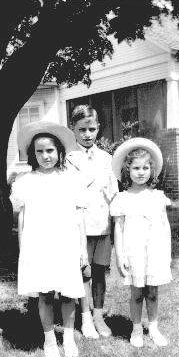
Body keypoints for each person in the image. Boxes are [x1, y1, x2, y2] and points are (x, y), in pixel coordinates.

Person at [11, 121, 88, 357]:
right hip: (38, 244)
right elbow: (21, 219)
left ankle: (68, 336)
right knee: (44, 293)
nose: (45, 156)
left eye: (50, 151)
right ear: (33, 154)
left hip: (65, 242)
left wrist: (82, 249)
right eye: (40, 151)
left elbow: (79, 216)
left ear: (59, 151)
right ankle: (49, 339)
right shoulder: (25, 182)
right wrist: (24, 250)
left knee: (67, 293)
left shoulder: (71, 179)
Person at [110, 137, 172, 347]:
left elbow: (165, 227)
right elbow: (118, 228)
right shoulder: (122, 198)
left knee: (152, 291)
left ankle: (153, 327)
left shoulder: (158, 197)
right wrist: (120, 255)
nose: (141, 172)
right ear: (128, 170)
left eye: (145, 167)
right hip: (133, 250)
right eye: (136, 167)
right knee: (136, 291)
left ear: (151, 170)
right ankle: (136, 328)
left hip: (155, 250)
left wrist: (167, 253)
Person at [67, 105, 118, 338]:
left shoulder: (107, 159)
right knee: (83, 272)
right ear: (73, 130)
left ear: (98, 128)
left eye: (92, 129)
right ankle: (85, 317)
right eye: (82, 130)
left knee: (99, 272)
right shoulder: (68, 159)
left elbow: (113, 194)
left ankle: (98, 315)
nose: (87, 134)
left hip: (102, 224)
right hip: (80, 226)